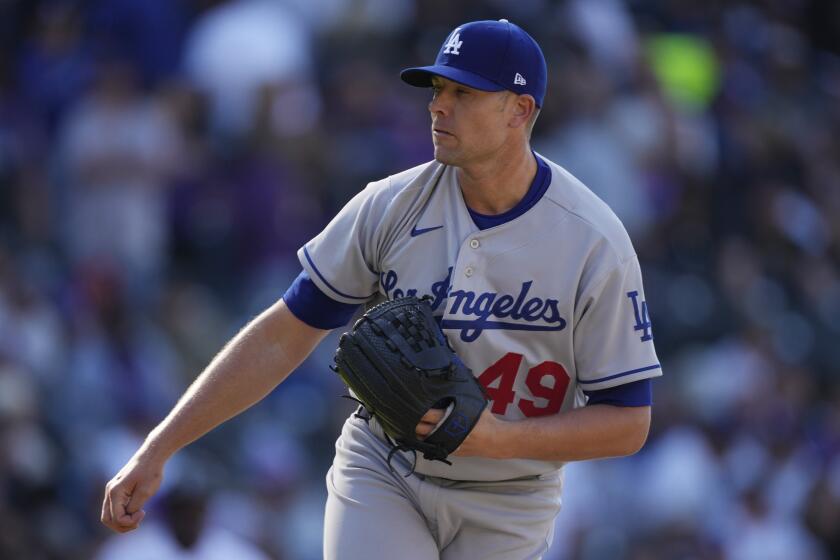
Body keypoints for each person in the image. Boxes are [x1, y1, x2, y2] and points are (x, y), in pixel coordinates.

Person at [101, 19, 662, 559]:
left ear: (520, 109)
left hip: (510, 497)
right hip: (387, 467)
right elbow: (281, 336)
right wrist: (161, 446)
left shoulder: (594, 242)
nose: (438, 105)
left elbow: (628, 422)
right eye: (437, 88)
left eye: (463, 93)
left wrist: (497, 439)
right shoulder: (391, 206)